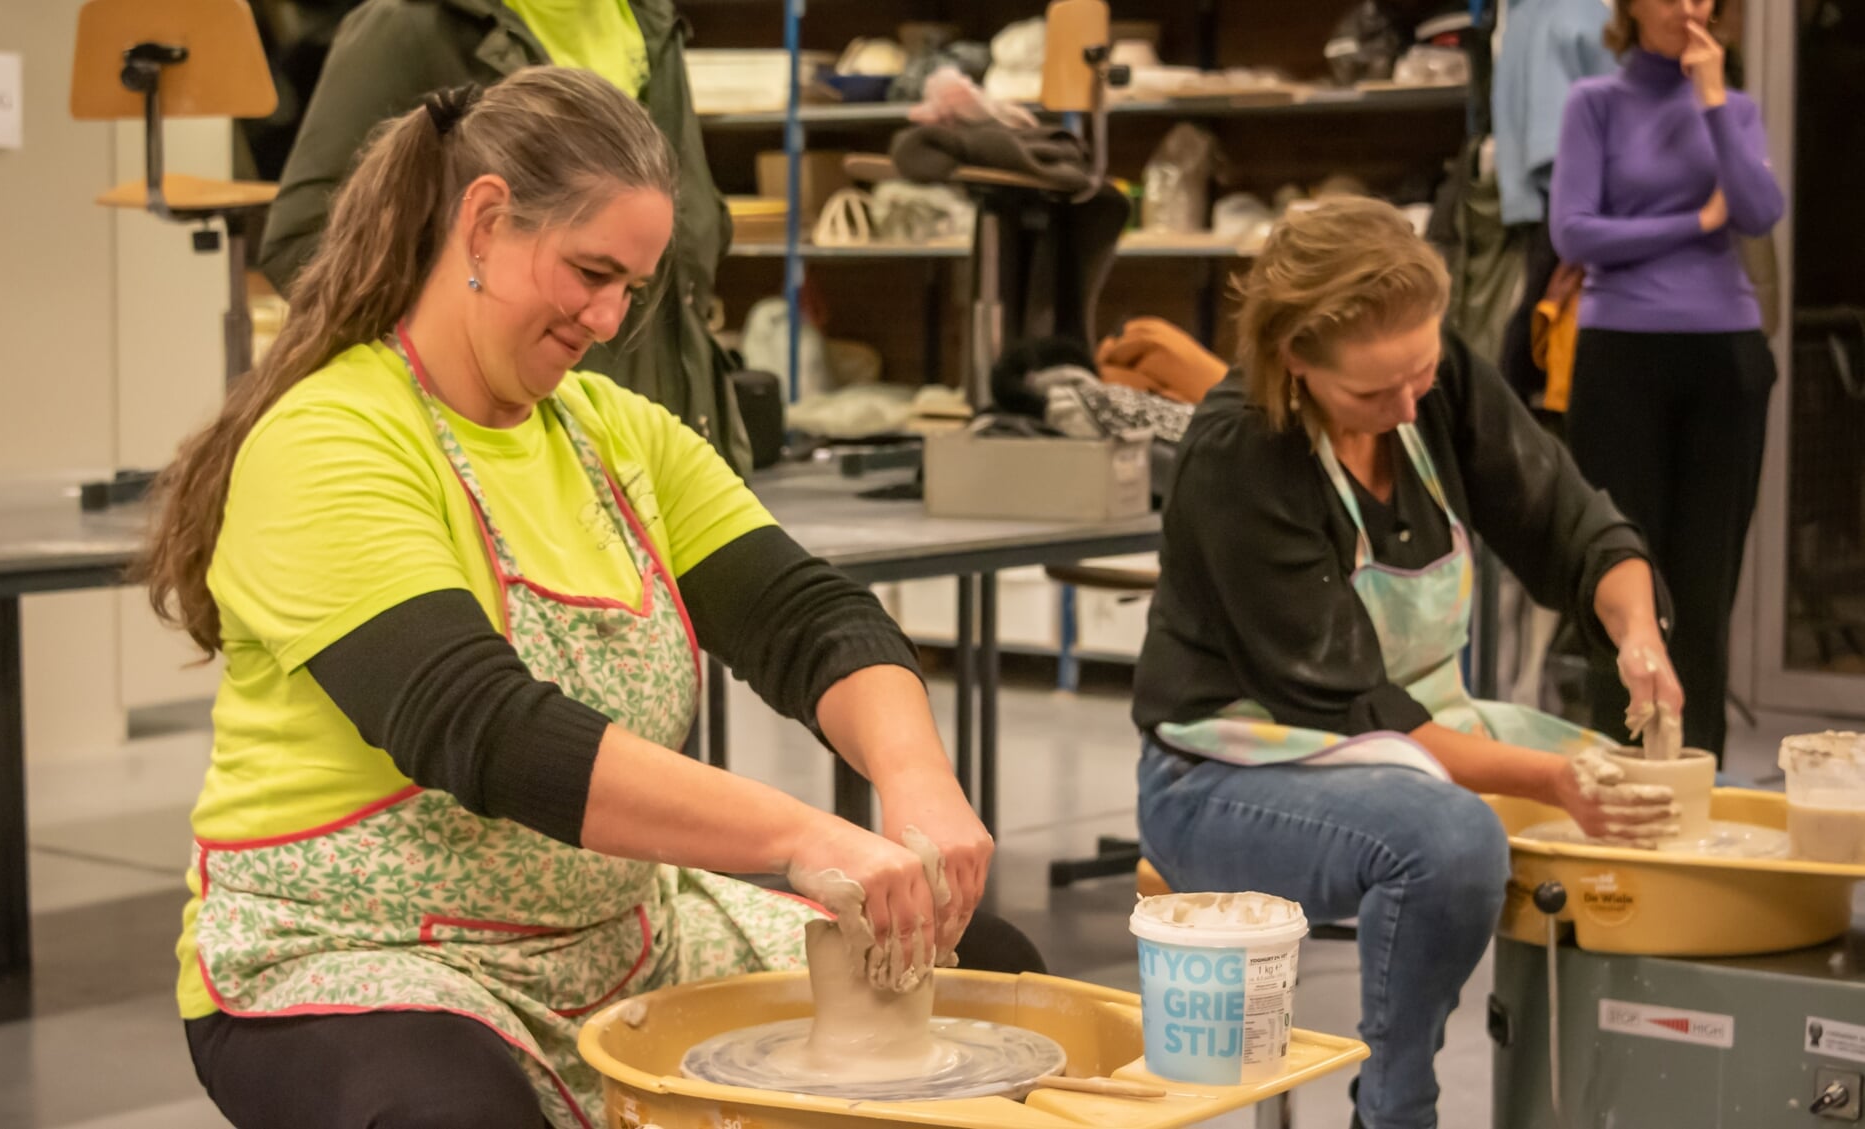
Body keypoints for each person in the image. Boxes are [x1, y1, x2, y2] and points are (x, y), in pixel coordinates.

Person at [145, 70, 1007, 1129]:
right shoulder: (330, 440)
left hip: (618, 940)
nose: (606, 319)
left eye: (632, 289)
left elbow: (811, 620)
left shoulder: (614, 433)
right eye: (589, 272)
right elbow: (482, 728)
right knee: (450, 1115)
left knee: (982, 972)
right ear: (485, 220)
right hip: (358, 951)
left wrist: (918, 784)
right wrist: (806, 836)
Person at [1131, 197, 1681, 1129]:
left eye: (1420, 373)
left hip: (1417, 738)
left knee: (1653, 801)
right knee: (1448, 845)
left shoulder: (1431, 381)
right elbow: (1367, 711)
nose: (1406, 407)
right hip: (1226, 770)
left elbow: (1571, 522)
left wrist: (1637, 632)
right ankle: (1392, 1107)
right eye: (1373, 393)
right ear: (1294, 361)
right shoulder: (1238, 452)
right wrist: (1554, 777)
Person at [258, 0, 753, 472]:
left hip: (670, 452)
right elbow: (309, 243)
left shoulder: (651, 24)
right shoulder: (410, 27)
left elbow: (689, 240)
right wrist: (472, 380)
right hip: (509, 467)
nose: (606, 319)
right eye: (592, 274)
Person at [1550, 0, 1785, 758]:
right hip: (1621, 355)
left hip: (1726, 357)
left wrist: (1713, 98)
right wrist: (1694, 222)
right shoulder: (1594, 104)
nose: (1683, 5)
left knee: (1705, 586)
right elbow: (1575, 233)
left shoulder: (1734, 107)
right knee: (1618, 571)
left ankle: (1699, 782)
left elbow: (1755, 210)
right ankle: (1618, 774)